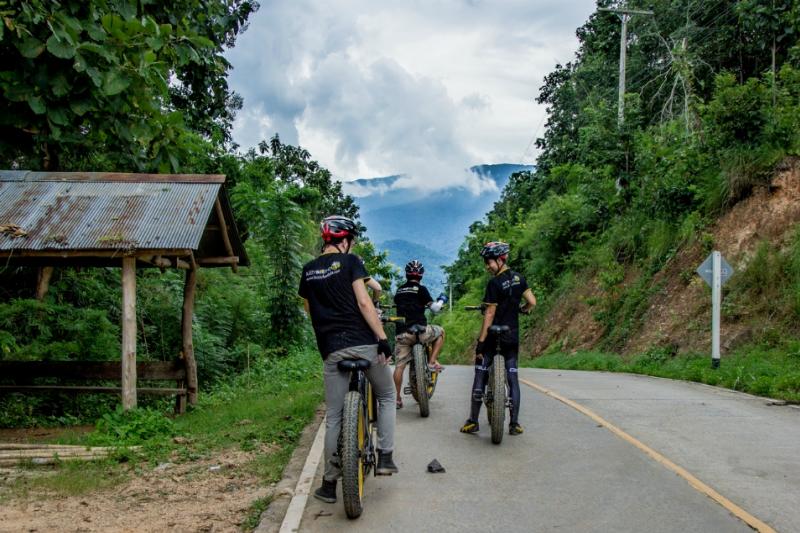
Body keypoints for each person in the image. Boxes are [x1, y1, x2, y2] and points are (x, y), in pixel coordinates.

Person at [298, 215, 398, 504]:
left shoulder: (308, 271)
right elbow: (365, 302)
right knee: (388, 395)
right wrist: (381, 338)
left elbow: (310, 310)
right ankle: (386, 457)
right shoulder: (352, 261)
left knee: (334, 417)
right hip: (364, 344)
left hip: (331, 350)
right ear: (345, 241)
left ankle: (329, 484)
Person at [460, 241, 536, 436]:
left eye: (489, 262)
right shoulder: (520, 278)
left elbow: (489, 314)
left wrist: (481, 343)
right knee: (512, 378)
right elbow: (532, 302)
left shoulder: (494, 283)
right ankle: (514, 424)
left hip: (493, 337)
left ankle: (473, 421)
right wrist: (523, 310)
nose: (487, 266)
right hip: (511, 335)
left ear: (501, 259)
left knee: (480, 373)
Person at [393, 259, 446, 409]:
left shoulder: (399, 291)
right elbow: (434, 308)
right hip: (421, 331)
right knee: (441, 332)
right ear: (421, 275)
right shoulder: (421, 290)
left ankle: (397, 399)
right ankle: (431, 362)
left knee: (399, 366)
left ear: (406, 274)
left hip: (403, 333)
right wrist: (441, 300)